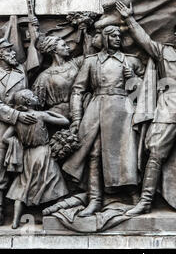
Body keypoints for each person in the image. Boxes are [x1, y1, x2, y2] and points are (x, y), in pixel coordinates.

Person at [116, 1, 176, 217]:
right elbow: (144, 41)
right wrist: (129, 19)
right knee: (156, 153)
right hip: (167, 108)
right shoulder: (163, 51)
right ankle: (145, 201)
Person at [62, 25, 145, 217]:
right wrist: (76, 118)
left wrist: (133, 80)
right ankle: (94, 200)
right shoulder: (92, 62)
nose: (117, 38)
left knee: (126, 156)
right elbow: (77, 90)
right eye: (113, 35)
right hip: (96, 109)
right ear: (105, 39)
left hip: (122, 110)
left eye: (119, 35)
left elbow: (146, 90)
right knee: (94, 153)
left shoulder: (131, 61)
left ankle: (135, 197)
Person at [0, 38, 37, 230]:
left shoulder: (20, 71)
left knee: (28, 166)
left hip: (23, 126)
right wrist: (16, 115)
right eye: (10, 52)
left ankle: (28, 207)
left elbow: (36, 59)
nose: (15, 54)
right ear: (0, 55)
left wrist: (33, 31)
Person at [3, 89, 70, 229]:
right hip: (43, 153)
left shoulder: (17, 121)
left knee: (22, 187)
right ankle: (63, 212)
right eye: (32, 96)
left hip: (27, 155)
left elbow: (5, 138)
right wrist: (49, 113)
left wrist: (17, 142)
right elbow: (64, 121)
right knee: (55, 182)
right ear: (28, 102)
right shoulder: (40, 115)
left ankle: (15, 222)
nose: (35, 96)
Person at [32, 35, 84, 120]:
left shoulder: (75, 64)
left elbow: (90, 54)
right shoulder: (44, 76)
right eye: (63, 45)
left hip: (81, 110)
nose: (68, 48)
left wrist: (83, 30)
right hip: (59, 116)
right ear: (54, 50)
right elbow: (36, 106)